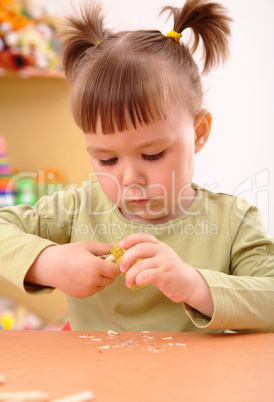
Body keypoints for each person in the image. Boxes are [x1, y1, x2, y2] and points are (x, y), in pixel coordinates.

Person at [0, 0, 273, 333]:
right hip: (93, 380)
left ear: (199, 132)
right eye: (107, 159)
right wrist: (45, 262)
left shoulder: (234, 223)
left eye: (153, 154)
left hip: (195, 384)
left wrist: (195, 285)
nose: (130, 179)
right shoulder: (77, 208)